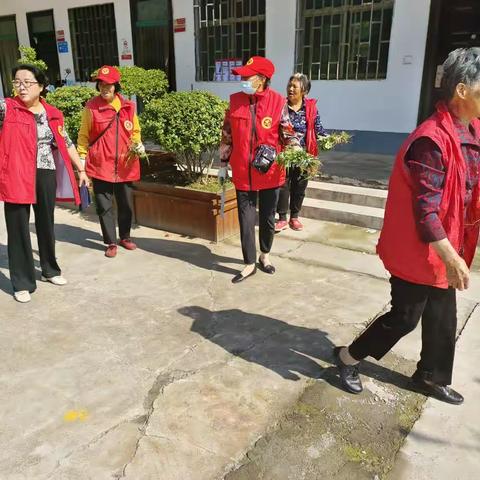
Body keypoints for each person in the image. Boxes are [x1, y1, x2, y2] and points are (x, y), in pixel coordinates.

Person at [334, 48, 480, 405]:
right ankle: (347, 358)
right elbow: (426, 212)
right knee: (404, 318)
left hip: (447, 245)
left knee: (443, 319)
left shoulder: (471, 129)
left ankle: (430, 376)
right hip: (418, 248)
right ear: (462, 90)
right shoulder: (431, 141)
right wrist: (451, 257)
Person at [0, 64, 89, 303]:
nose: (21, 86)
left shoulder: (52, 113)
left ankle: (50, 269)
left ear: (41, 86)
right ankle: (22, 282)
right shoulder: (7, 108)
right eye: (17, 81)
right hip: (16, 174)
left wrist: (81, 169)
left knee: (46, 224)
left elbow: (66, 141)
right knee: (18, 228)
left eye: (28, 82)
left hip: (45, 173)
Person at [219, 56, 300, 283]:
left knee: (267, 218)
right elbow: (227, 134)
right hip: (243, 172)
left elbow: (287, 131)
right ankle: (248, 263)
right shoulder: (235, 101)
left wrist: (296, 149)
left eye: (248, 76)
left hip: (270, 171)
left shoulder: (277, 102)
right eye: (243, 76)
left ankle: (265, 255)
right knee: (245, 218)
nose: (243, 80)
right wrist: (223, 163)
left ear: (262, 79)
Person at [77, 65, 144, 258]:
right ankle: (111, 242)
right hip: (101, 165)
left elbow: (135, 131)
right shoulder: (91, 107)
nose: (105, 88)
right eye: (101, 84)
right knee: (104, 206)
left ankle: (125, 237)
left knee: (126, 205)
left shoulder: (128, 106)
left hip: (125, 164)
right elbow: (83, 135)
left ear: (116, 86)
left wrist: (138, 144)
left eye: (109, 85)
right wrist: (82, 157)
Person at [275, 73, 327, 232]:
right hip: (285, 152)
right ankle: (282, 218)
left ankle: (295, 217)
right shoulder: (280, 106)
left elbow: (317, 128)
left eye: (294, 87)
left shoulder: (310, 108)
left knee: (300, 185)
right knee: (282, 185)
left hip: (304, 154)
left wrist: (327, 138)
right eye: (289, 85)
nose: (290, 89)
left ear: (304, 90)